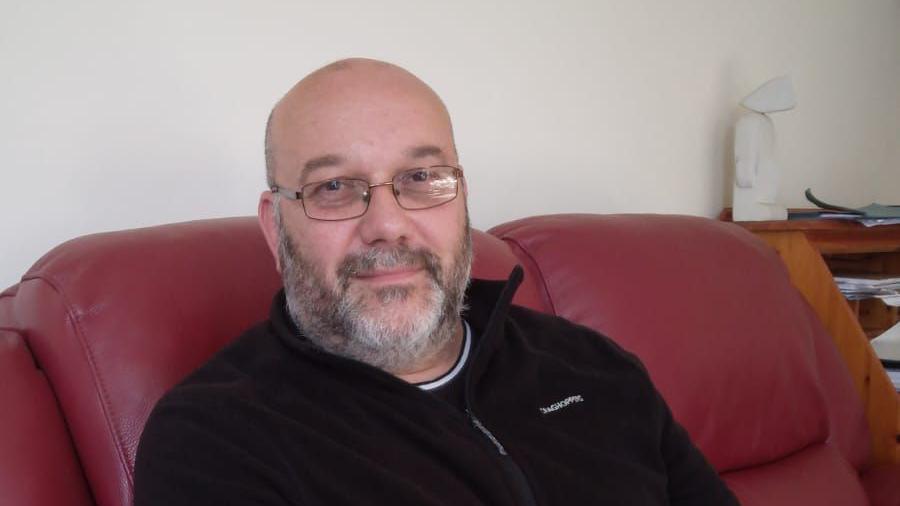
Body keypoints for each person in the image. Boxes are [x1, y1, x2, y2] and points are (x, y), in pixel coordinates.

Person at [134, 58, 738, 505]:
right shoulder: (212, 439)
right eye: (334, 188)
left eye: (421, 177)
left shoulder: (592, 368)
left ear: (461, 197)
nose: (388, 225)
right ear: (275, 227)